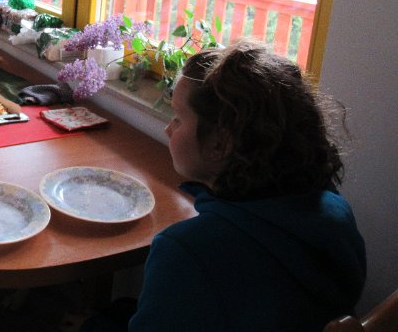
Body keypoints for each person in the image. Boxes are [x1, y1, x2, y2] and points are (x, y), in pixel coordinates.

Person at [79, 40, 366, 332]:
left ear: (220, 144)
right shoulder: (336, 209)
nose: (168, 128)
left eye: (178, 119)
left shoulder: (186, 251)